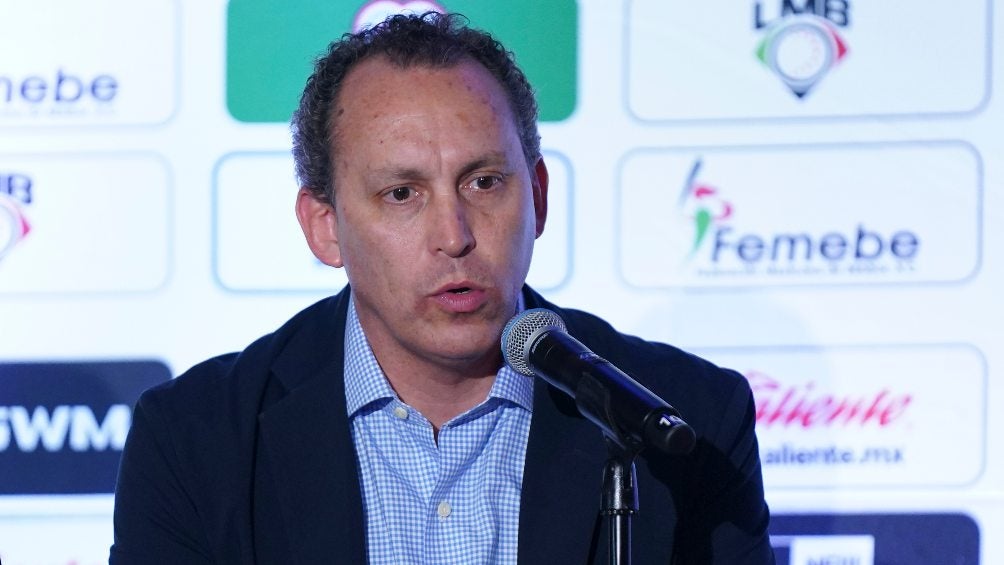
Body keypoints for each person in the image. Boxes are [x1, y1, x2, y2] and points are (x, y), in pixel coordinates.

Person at [110, 12, 773, 565]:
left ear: (538, 197)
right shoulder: (194, 441)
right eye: (402, 193)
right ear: (325, 227)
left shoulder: (686, 422)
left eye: (484, 182)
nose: (454, 236)